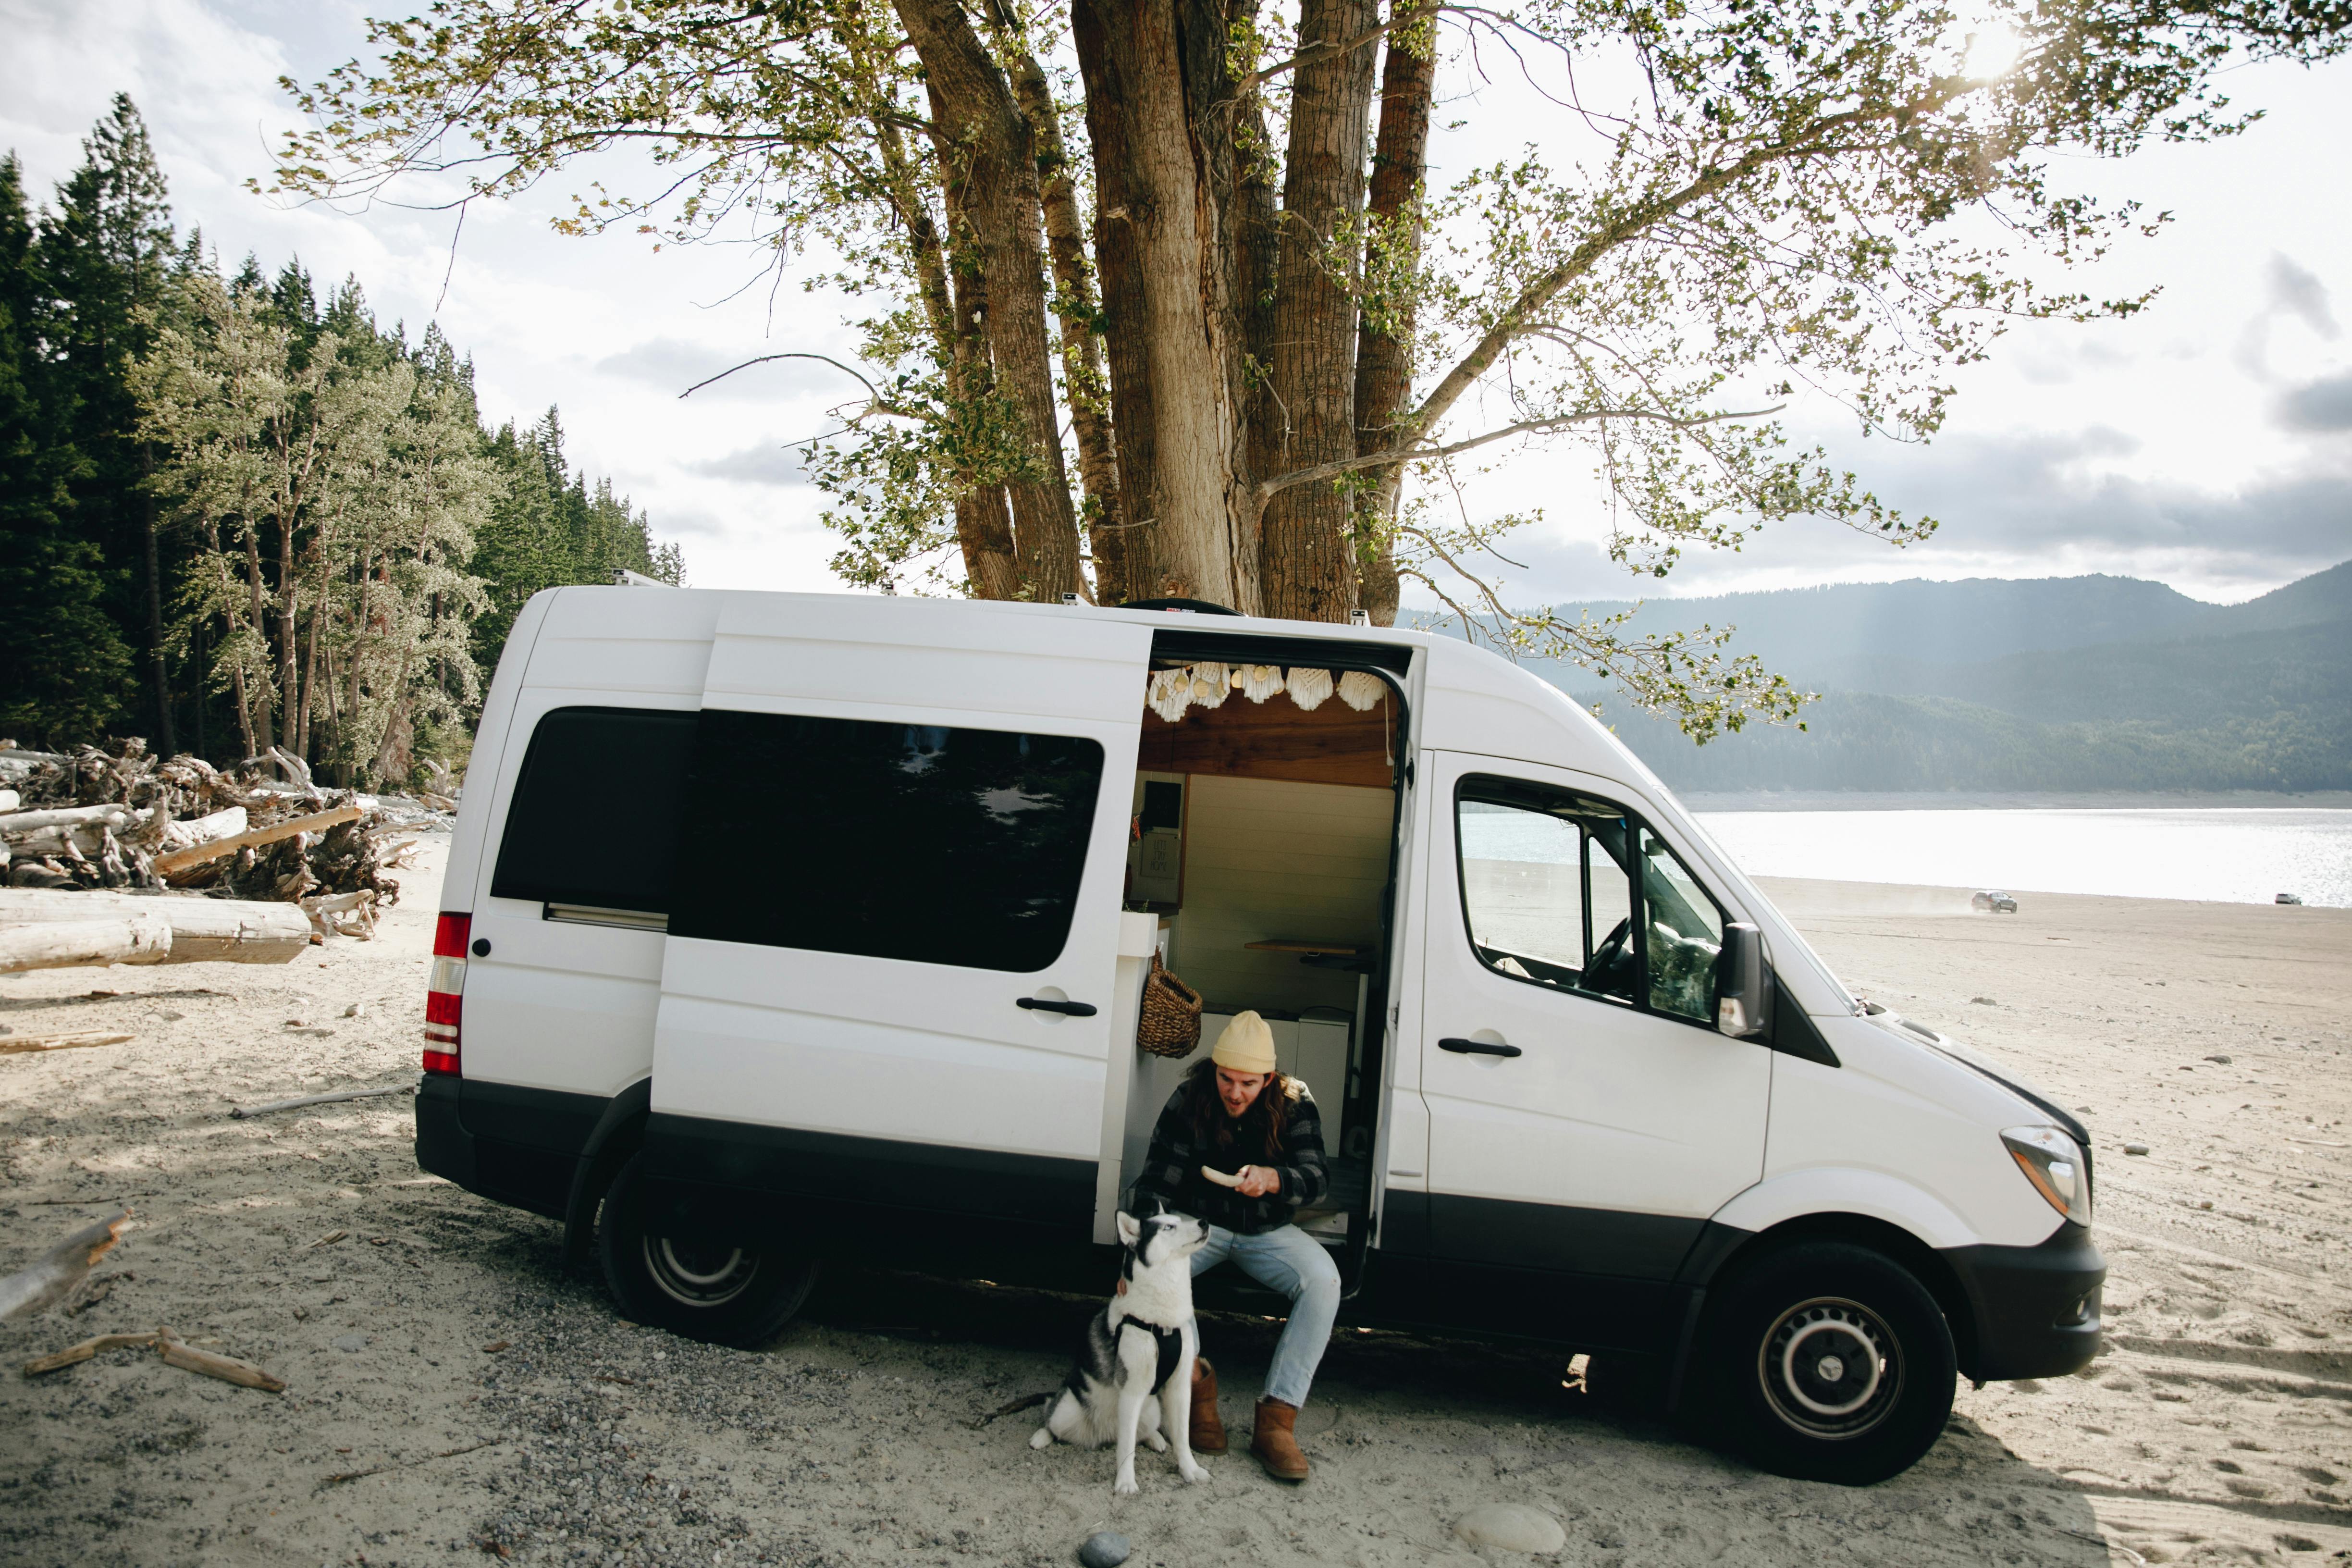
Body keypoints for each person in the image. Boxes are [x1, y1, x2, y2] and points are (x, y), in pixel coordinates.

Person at [1129, 1010, 1338, 1482]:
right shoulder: (1190, 1097)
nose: (1235, 1091)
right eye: (1226, 1078)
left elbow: (1317, 1178)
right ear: (1214, 1071)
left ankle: (1277, 1421)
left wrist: (1274, 1179)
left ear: (1267, 1078)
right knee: (1162, 1271)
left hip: (1267, 1231)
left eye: (1247, 1082)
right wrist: (1141, 1249)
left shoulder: (1294, 1101)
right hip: (1199, 1225)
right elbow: (1156, 1179)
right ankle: (1197, 1391)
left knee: (1324, 1281)